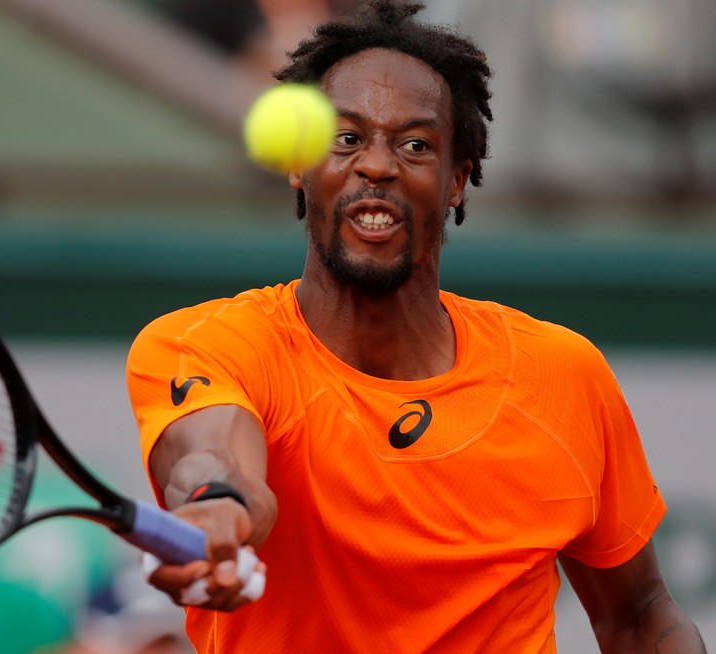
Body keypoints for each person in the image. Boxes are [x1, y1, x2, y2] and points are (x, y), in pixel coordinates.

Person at [124, 1, 708, 651]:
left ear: (457, 181)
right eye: (345, 139)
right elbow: (214, 454)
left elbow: (641, 614)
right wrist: (218, 504)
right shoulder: (204, 346)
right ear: (299, 166)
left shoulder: (564, 375)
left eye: (415, 144)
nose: (378, 165)